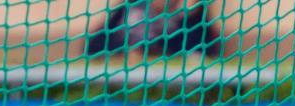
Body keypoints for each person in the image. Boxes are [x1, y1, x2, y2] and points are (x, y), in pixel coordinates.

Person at [85, 0, 224, 59]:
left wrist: (156, 51)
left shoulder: (192, 19)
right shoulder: (131, 8)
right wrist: (126, 52)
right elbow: (95, 45)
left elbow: (206, 51)